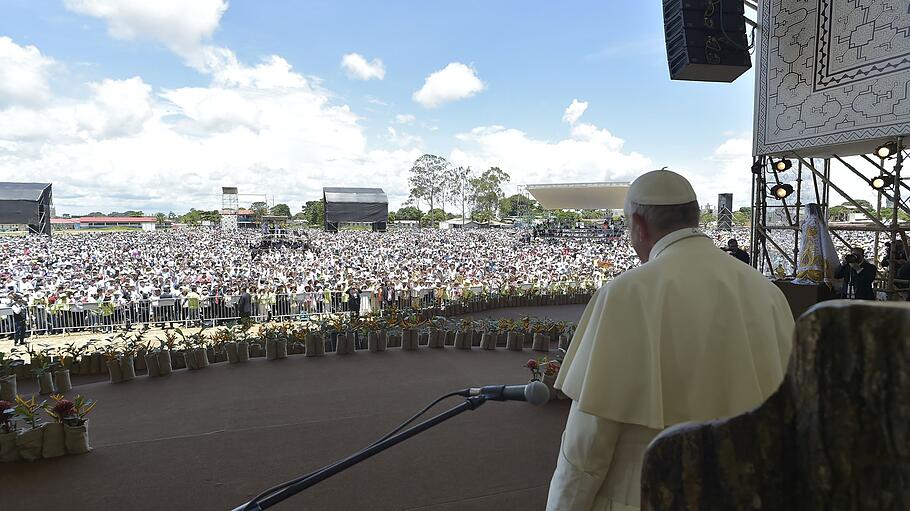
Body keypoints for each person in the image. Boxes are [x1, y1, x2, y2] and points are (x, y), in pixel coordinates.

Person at [546, 169, 794, 511]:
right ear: (694, 217)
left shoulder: (625, 293)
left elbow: (587, 445)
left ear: (638, 224)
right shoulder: (768, 293)